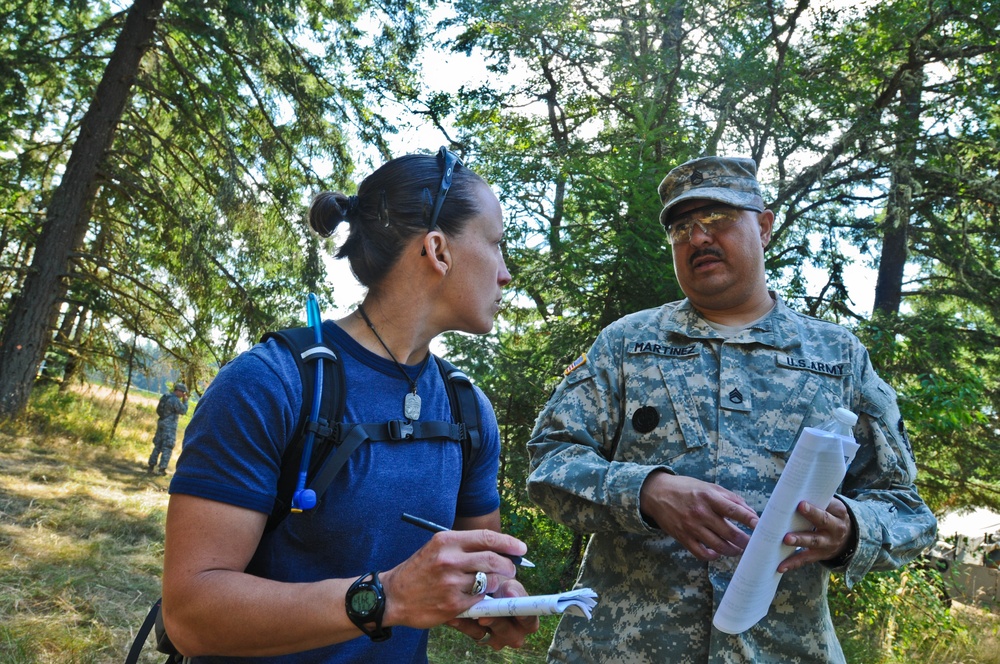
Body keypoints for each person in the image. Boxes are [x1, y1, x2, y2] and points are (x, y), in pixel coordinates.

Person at [525, 156, 937, 663]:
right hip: (622, 650)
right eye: (682, 228)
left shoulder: (838, 356)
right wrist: (647, 491)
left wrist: (851, 529)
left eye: (718, 219)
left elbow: (906, 510)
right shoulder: (628, 343)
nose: (697, 238)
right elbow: (549, 464)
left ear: (763, 227)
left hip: (780, 650)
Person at [160, 147, 538, 663]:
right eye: (495, 245)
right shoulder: (269, 383)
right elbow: (190, 616)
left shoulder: (468, 409)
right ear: (438, 250)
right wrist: (387, 597)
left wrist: (493, 598)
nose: (505, 274)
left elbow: (480, 571)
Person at [147, 382, 189, 475]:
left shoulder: (166, 396)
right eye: (183, 392)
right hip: (169, 426)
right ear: (178, 391)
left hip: (161, 422)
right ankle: (162, 469)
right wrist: (185, 402)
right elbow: (183, 411)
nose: (183, 395)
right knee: (167, 446)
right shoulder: (175, 400)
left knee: (157, 445)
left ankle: (151, 465)